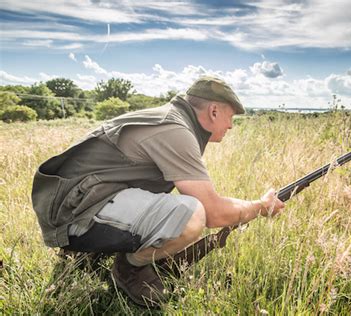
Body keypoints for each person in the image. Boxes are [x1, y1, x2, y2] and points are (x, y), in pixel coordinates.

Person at [31, 76, 285, 306]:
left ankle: (88, 252)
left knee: (174, 208)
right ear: (214, 111)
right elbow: (213, 212)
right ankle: (129, 268)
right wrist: (260, 207)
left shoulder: (171, 119)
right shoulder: (175, 130)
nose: (230, 126)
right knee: (192, 213)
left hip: (77, 201)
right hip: (73, 211)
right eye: (231, 117)